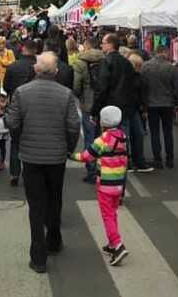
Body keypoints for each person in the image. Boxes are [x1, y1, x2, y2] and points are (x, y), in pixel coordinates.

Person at [5, 52, 80, 274]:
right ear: (56, 71)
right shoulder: (66, 94)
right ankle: (54, 240)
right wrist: (68, 148)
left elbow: (12, 122)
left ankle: (38, 257)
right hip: (56, 156)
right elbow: (73, 126)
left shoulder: (21, 92)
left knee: (36, 205)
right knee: (54, 198)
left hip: (31, 157)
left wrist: (20, 142)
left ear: (36, 69)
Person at [69, 105, 129, 266]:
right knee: (113, 213)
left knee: (107, 215)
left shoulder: (102, 140)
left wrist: (71, 155)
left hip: (105, 186)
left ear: (103, 122)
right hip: (119, 185)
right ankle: (111, 244)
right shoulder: (123, 136)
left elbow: (86, 156)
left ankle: (117, 245)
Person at [93, 33, 152, 173]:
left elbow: (102, 87)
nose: (101, 45)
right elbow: (132, 84)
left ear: (110, 44)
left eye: (103, 42)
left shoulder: (106, 62)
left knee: (119, 136)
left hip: (113, 105)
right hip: (128, 105)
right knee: (131, 134)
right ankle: (135, 161)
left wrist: (95, 110)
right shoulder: (126, 62)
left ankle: (125, 162)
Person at [4, 39, 38, 186]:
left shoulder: (13, 67)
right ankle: (31, 173)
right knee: (34, 141)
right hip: (35, 108)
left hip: (16, 108)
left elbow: (6, 87)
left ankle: (14, 173)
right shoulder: (39, 66)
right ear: (35, 50)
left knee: (16, 142)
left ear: (23, 49)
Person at [142, 46, 178, 169]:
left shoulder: (146, 66)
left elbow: (143, 87)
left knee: (154, 132)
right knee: (168, 132)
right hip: (167, 104)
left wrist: (144, 105)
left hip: (151, 103)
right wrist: (177, 103)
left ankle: (157, 159)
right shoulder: (172, 68)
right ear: (165, 52)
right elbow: (177, 88)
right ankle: (170, 159)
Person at [73, 37, 105, 183]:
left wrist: (80, 96)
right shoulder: (104, 60)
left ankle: (91, 170)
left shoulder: (80, 63)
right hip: (103, 103)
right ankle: (104, 168)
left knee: (89, 137)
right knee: (104, 137)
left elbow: (76, 86)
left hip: (88, 104)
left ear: (86, 46)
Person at [126, 54, 151, 172]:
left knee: (133, 135)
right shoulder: (136, 77)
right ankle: (135, 161)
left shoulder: (131, 77)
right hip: (132, 109)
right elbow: (142, 95)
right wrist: (144, 109)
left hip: (130, 109)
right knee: (136, 135)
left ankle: (134, 161)